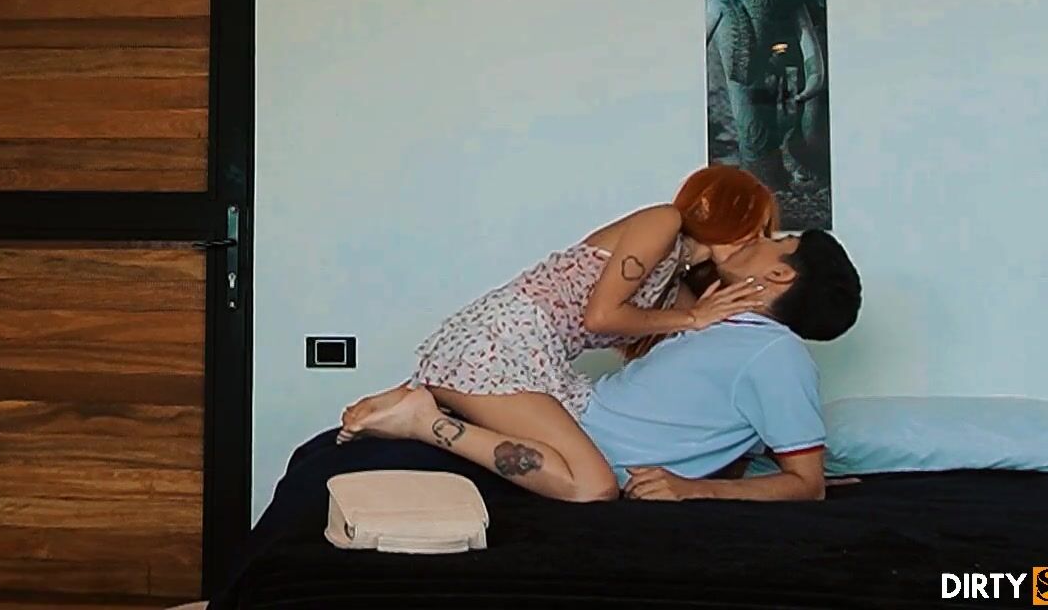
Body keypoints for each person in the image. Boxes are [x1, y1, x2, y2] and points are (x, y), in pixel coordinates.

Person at [227, 230, 862, 591]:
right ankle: (428, 417)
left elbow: (806, 484)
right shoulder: (720, 324)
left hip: (561, 413)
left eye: (777, 240)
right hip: (562, 406)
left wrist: (697, 488)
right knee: (591, 485)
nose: (759, 237)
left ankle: (430, 405)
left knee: (591, 483)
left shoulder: (775, 355)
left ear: (781, 277)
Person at [340, 165, 781, 443]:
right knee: (582, 474)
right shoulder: (663, 221)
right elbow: (601, 316)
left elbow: (694, 344)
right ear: (726, 212)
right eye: (754, 227)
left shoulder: (676, 282)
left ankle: (406, 403)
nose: (756, 241)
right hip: (509, 332)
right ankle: (418, 409)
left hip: (531, 342)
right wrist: (694, 317)